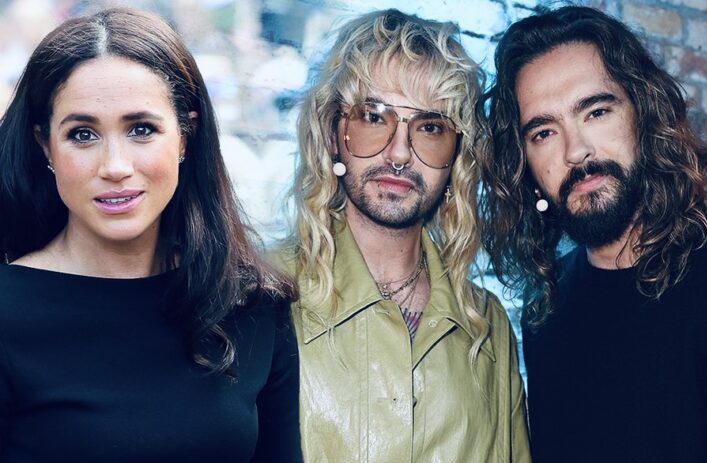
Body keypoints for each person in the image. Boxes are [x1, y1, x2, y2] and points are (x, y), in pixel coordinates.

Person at [0, 8, 302, 462]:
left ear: (185, 135)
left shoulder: (253, 305)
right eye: (82, 134)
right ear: (46, 145)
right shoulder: (7, 313)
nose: (115, 166)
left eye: (141, 130)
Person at [482, 5, 707, 463]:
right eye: (544, 132)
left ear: (643, 117)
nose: (576, 151)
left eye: (596, 112)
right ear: (525, 166)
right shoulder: (544, 307)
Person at [276, 9, 530, 463]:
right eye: (373, 117)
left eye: (430, 127)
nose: (399, 154)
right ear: (333, 134)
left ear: (456, 155)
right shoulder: (262, 291)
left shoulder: (488, 326)